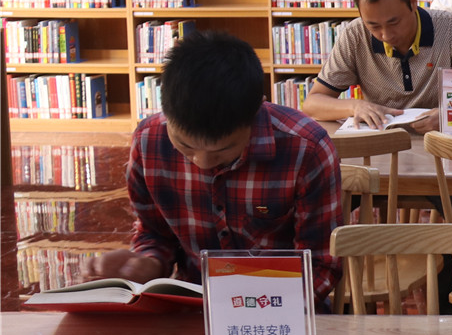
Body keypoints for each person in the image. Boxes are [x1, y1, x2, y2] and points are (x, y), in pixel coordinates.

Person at [82, 30, 342, 306]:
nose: (202, 162)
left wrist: (252, 308)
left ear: (256, 111)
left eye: (223, 150)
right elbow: (154, 233)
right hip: (190, 306)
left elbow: (320, 265)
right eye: (185, 146)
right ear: (166, 111)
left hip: (282, 306)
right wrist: (147, 263)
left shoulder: (306, 149)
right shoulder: (149, 141)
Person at [301, 0, 452, 133]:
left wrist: (448, 116)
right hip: (381, 144)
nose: (386, 35)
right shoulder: (355, 35)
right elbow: (312, 104)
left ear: (412, 2)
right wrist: (354, 106)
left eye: (394, 22)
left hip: (441, 143)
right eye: (373, 26)